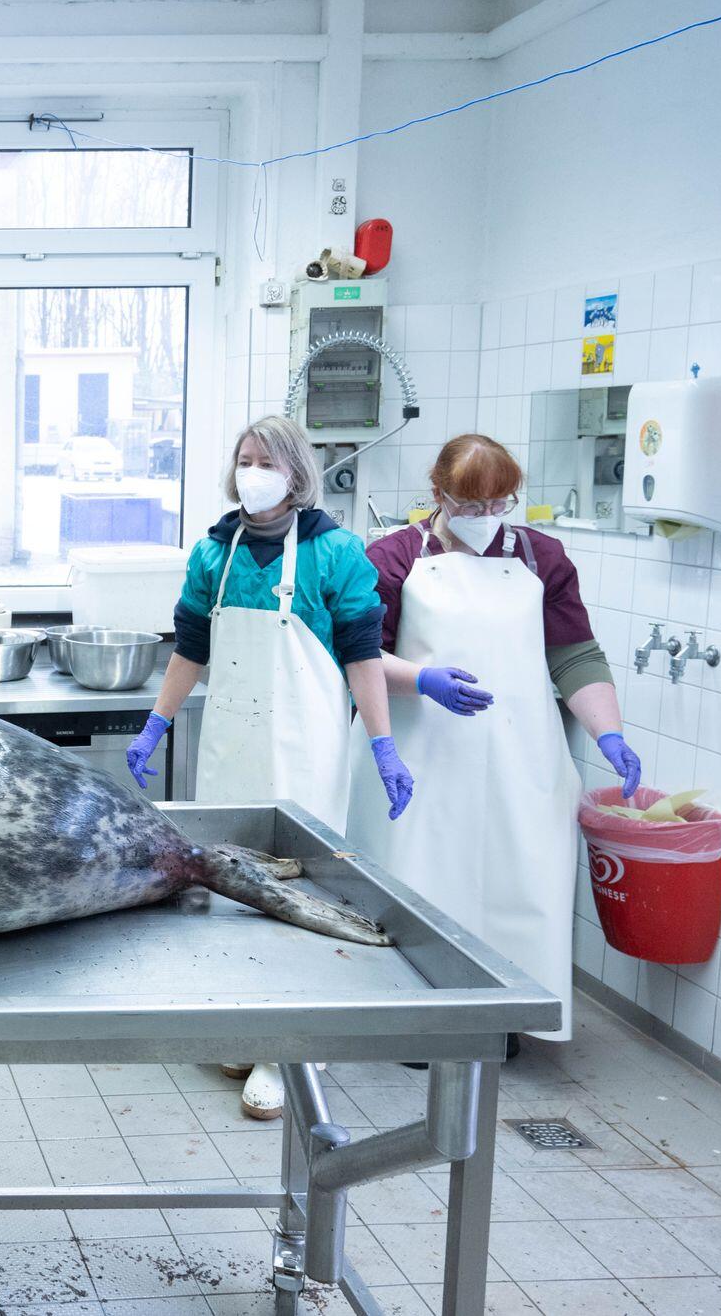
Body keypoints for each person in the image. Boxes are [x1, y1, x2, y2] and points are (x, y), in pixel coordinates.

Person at [122, 415, 409, 1121]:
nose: (252, 472)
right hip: (231, 751)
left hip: (306, 756)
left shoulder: (335, 552)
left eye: (267, 461)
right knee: (227, 887)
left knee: (299, 896)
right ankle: (246, 1024)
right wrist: (157, 722)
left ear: (297, 473)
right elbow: (191, 649)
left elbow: (362, 657)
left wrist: (383, 744)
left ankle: (292, 1052)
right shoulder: (213, 553)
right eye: (244, 459)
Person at [353, 434, 639, 1053]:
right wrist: (422, 680)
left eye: (498, 504)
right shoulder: (393, 557)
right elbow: (359, 656)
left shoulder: (541, 558)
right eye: (470, 504)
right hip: (419, 754)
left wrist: (609, 731)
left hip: (520, 758)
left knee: (520, 880)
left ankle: (501, 1015)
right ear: (438, 494)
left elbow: (574, 655)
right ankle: (415, 1024)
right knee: (424, 882)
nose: (486, 518)